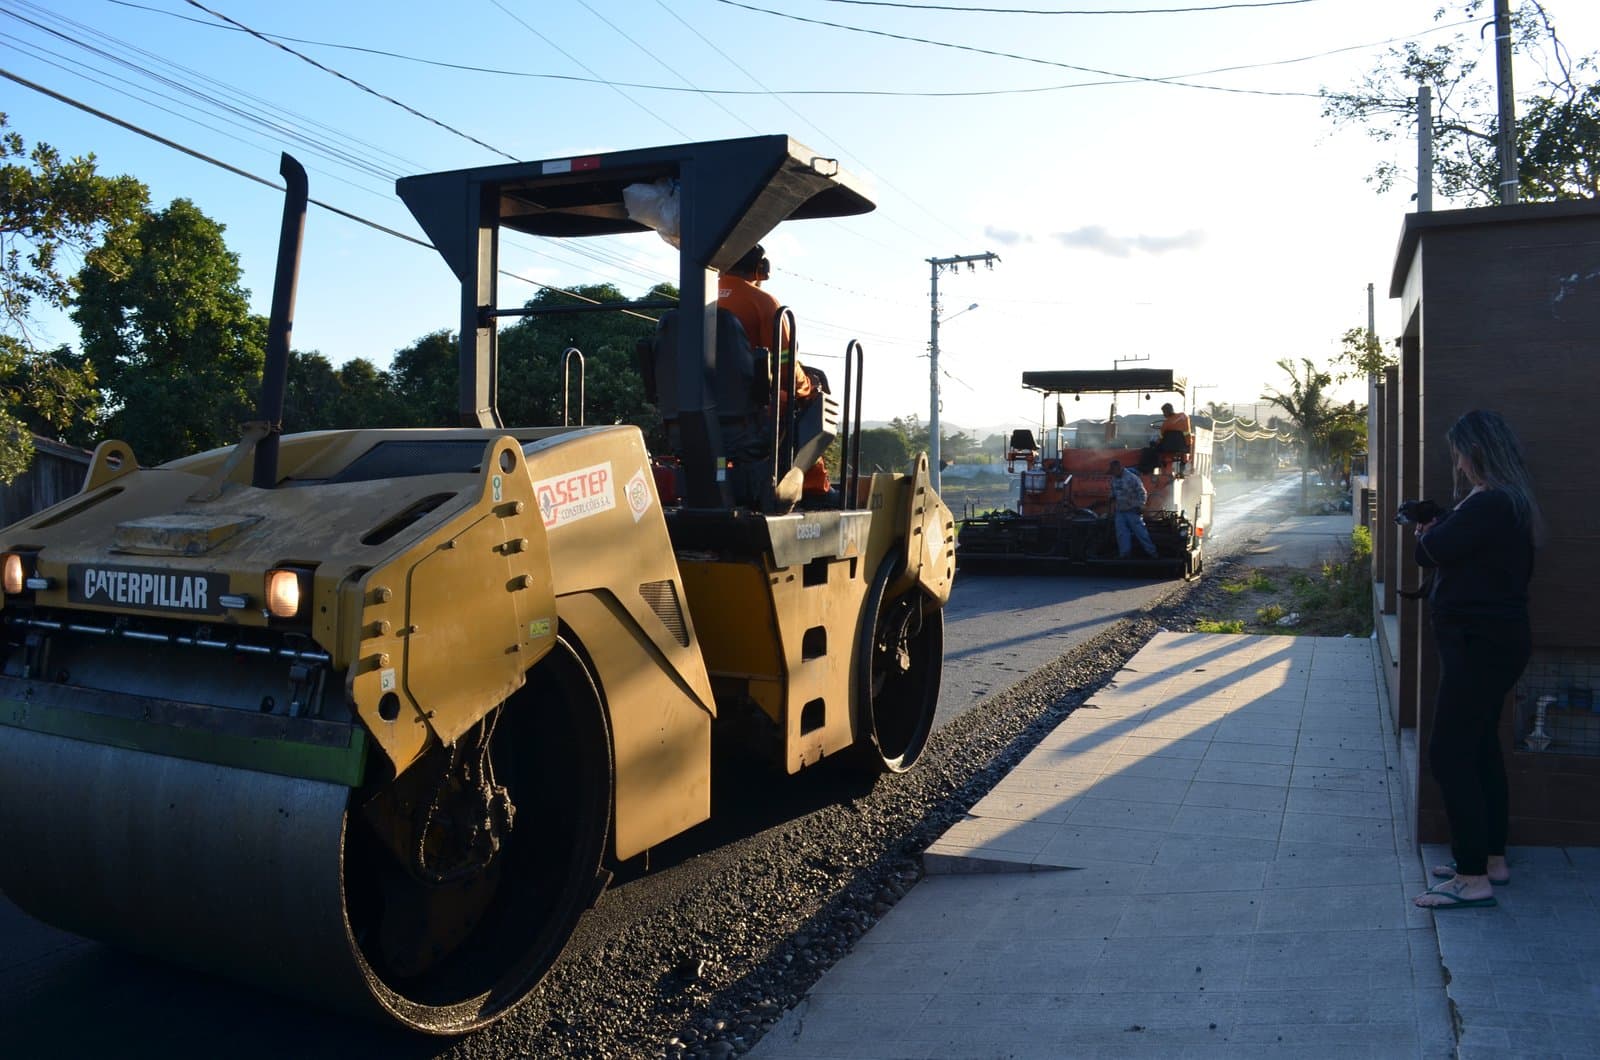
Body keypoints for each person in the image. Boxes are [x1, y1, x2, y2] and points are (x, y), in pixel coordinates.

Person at [1412, 410, 1543, 911]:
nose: (1459, 463)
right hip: (1495, 642)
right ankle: (1490, 859)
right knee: (1481, 747)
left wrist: (1431, 529)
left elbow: (1430, 552)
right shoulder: (1510, 503)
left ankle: (1470, 879)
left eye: (1460, 453)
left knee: (1450, 752)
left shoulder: (1488, 503)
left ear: (1476, 453)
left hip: (1478, 645)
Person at [717, 244, 828, 500]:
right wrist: (809, 385)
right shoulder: (763, 303)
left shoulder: (697, 297)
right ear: (761, 269)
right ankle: (813, 490)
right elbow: (786, 367)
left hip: (697, 407)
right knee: (808, 401)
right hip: (749, 412)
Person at [1107, 460, 1158, 560]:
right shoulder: (1114, 479)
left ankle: (1152, 553)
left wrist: (1140, 505)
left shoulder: (1132, 478)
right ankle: (1125, 555)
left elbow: (1142, 493)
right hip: (1120, 511)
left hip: (1133, 510)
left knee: (1141, 533)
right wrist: (1111, 497)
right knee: (1122, 534)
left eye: (1114, 471)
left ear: (1119, 469)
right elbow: (1113, 491)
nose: (1113, 474)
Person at [1138, 402, 1190, 472]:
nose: (1163, 414)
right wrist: (1188, 445)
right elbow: (1187, 433)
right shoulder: (1184, 416)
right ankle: (1181, 468)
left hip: (1167, 448)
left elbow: (1161, 439)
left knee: (1148, 451)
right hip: (1182, 447)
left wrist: (1154, 443)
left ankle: (1147, 469)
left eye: (1164, 412)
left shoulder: (1165, 424)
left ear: (1166, 412)